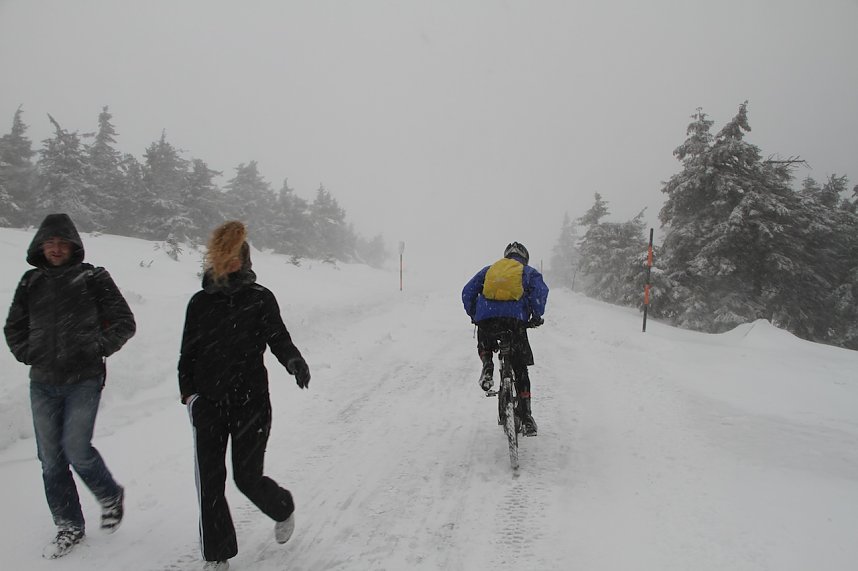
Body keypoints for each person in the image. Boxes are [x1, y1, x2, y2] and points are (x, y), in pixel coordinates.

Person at [178, 221, 311, 571]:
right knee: (210, 482)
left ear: (246, 258)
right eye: (225, 254)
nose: (231, 261)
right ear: (215, 258)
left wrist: (293, 361)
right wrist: (189, 395)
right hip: (208, 403)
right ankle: (217, 555)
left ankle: (282, 507)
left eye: (237, 255)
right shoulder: (200, 303)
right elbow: (187, 354)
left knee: (246, 477)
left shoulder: (260, 298)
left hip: (251, 401)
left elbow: (278, 337)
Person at [4, 213, 136, 559]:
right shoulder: (31, 281)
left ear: (73, 245)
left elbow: (124, 322)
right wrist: (27, 353)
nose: (56, 248)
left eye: (62, 242)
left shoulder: (93, 278)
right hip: (42, 382)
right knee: (50, 459)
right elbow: (13, 327)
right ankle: (68, 526)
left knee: (76, 448)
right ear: (40, 246)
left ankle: (109, 495)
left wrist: (96, 348)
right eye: (50, 242)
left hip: (83, 380)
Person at [461, 242, 548, 436]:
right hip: (515, 321)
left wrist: (475, 314)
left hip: (488, 318)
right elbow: (540, 292)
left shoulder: (489, 270)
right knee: (520, 367)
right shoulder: (527, 272)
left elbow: (467, 292)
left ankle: (487, 365)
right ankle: (527, 417)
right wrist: (536, 315)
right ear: (524, 258)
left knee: (485, 336)